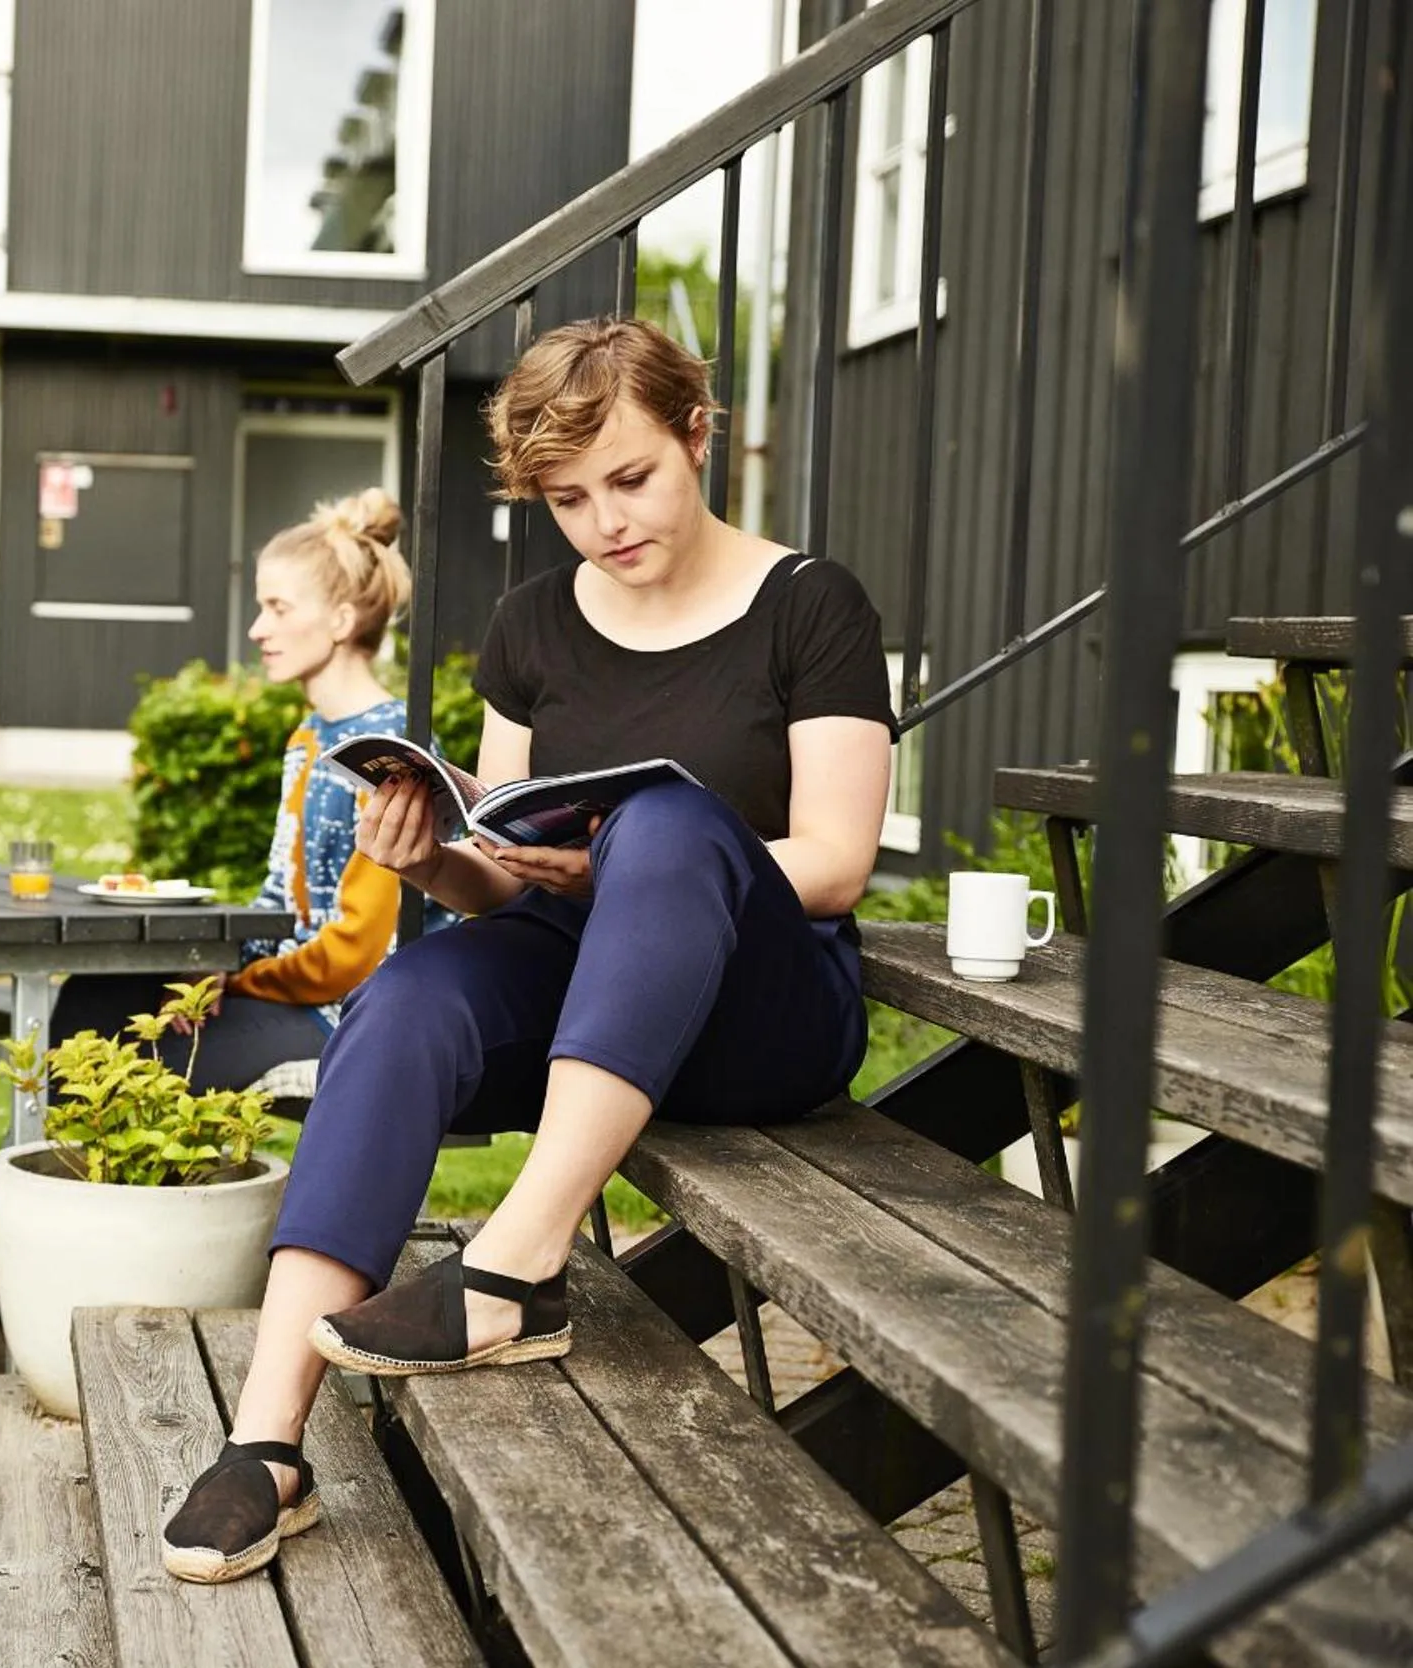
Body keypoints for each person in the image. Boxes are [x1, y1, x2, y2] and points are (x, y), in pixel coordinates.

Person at [160, 317, 896, 1584]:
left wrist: (625, 859)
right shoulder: (533, 625)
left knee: (666, 822)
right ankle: (266, 1442)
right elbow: (503, 870)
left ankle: (513, 1264)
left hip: (764, 1010)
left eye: (630, 479)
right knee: (406, 1001)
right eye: (567, 499)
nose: (605, 521)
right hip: (588, 983)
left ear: (696, 436)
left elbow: (834, 857)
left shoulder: (808, 604)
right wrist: (430, 852)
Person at [0, 488, 418, 1308]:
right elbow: (279, 900)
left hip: (348, 1021)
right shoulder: (309, 741)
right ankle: (22, 1233)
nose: (258, 629)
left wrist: (228, 985)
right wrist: (210, 968)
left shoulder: (386, 750)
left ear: (340, 620)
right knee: (97, 994)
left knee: (117, 1028)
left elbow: (361, 948)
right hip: (290, 994)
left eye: (275, 608)